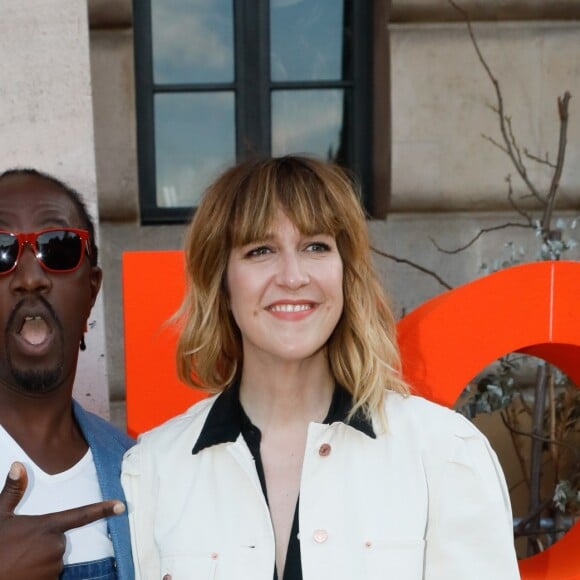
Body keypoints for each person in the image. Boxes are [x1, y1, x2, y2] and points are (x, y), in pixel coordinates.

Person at [122, 155, 520, 579]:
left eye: (316, 247)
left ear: (346, 274)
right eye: (261, 250)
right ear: (220, 283)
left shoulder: (444, 454)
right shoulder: (153, 471)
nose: (293, 276)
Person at [0, 169, 134, 579]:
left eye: (59, 249)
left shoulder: (137, 471)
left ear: (91, 291)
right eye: (1, 251)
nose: (31, 279)